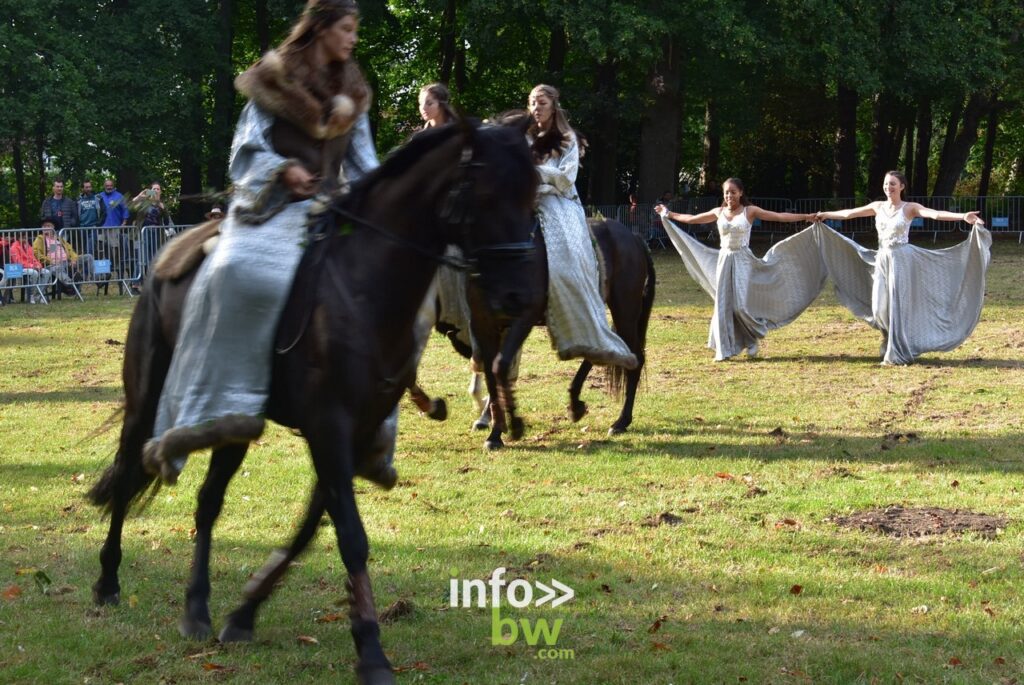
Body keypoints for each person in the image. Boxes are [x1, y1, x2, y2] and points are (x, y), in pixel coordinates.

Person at [146, 0, 384, 486]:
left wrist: (380, 201)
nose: (353, 38)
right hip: (270, 208)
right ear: (320, 28)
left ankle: (372, 433)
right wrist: (282, 169)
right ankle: (213, 409)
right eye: (346, 28)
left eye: (355, 30)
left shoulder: (354, 93)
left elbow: (365, 164)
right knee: (236, 270)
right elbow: (245, 149)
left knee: (381, 287)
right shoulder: (272, 80)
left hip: (329, 209)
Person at [814, 170, 989, 365]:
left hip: (901, 260)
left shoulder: (909, 208)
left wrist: (963, 216)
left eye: (893, 184)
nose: (888, 187)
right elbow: (849, 213)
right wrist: (825, 215)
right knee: (879, 307)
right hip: (883, 258)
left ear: (902, 187)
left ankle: (897, 350)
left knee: (897, 306)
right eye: (886, 184)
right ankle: (891, 339)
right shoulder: (877, 206)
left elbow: (935, 214)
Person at [526, 84, 637, 369]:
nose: (536, 108)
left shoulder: (567, 139)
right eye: (532, 103)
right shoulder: (524, 138)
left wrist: (536, 172)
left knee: (566, 254)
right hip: (525, 198)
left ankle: (575, 307)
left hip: (559, 202)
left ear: (553, 106)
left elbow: (566, 178)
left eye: (541, 103)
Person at [655, 178, 820, 361]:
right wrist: (668, 213)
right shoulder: (719, 212)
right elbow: (692, 219)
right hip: (724, 259)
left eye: (733, 192)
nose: (729, 195)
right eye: (726, 192)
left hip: (743, 259)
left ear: (740, 193)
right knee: (723, 304)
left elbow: (778, 216)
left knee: (740, 306)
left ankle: (753, 338)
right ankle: (724, 350)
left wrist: (806, 217)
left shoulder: (750, 211)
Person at [33, 219, 92, 296]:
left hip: (67, 262)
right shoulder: (40, 239)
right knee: (57, 268)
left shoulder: (59, 239)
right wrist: (51, 261)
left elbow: (70, 250)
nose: (46, 228)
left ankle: (97, 278)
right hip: (52, 264)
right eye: (44, 226)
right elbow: (37, 253)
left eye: (48, 226)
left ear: (53, 227)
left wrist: (73, 259)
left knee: (88, 257)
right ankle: (70, 284)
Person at [98, 178, 131, 292]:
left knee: (115, 254)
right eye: (107, 185)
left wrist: (124, 223)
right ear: (104, 186)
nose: (109, 187)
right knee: (101, 253)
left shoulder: (119, 196)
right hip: (102, 229)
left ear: (113, 186)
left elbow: (125, 211)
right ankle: (102, 278)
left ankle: (118, 277)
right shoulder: (99, 196)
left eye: (111, 185)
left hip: (115, 230)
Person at [10, 232, 52, 303]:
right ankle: (31, 294)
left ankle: (38, 295)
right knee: (34, 273)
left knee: (47, 272)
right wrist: (32, 266)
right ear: (17, 238)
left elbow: (34, 258)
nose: (25, 239)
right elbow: (18, 262)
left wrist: (38, 265)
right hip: (19, 268)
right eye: (23, 237)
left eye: (26, 237)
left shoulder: (28, 246)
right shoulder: (14, 247)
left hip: (31, 267)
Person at [77, 180, 106, 256]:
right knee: (83, 249)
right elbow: (75, 214)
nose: (88, 189)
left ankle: (88, 267)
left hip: (93, 227)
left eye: (89, 187)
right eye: (86, 187)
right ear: (82, 189)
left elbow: (104, 212)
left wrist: (98, 224)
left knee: (90, 248)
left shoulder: (98, 198)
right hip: (82, 228)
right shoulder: (78, 200)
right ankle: (86, 266)